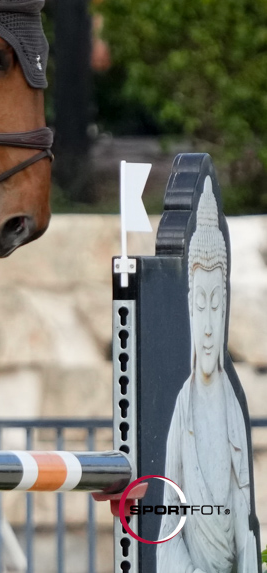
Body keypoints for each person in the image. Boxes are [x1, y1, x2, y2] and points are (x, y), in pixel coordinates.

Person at [159, 180, 255, 573]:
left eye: (218, 305)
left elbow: (245, 522)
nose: (210, 327)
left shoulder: (233, 407)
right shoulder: (183, 409)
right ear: (190, 311)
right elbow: (167, 527)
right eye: (202, 305)